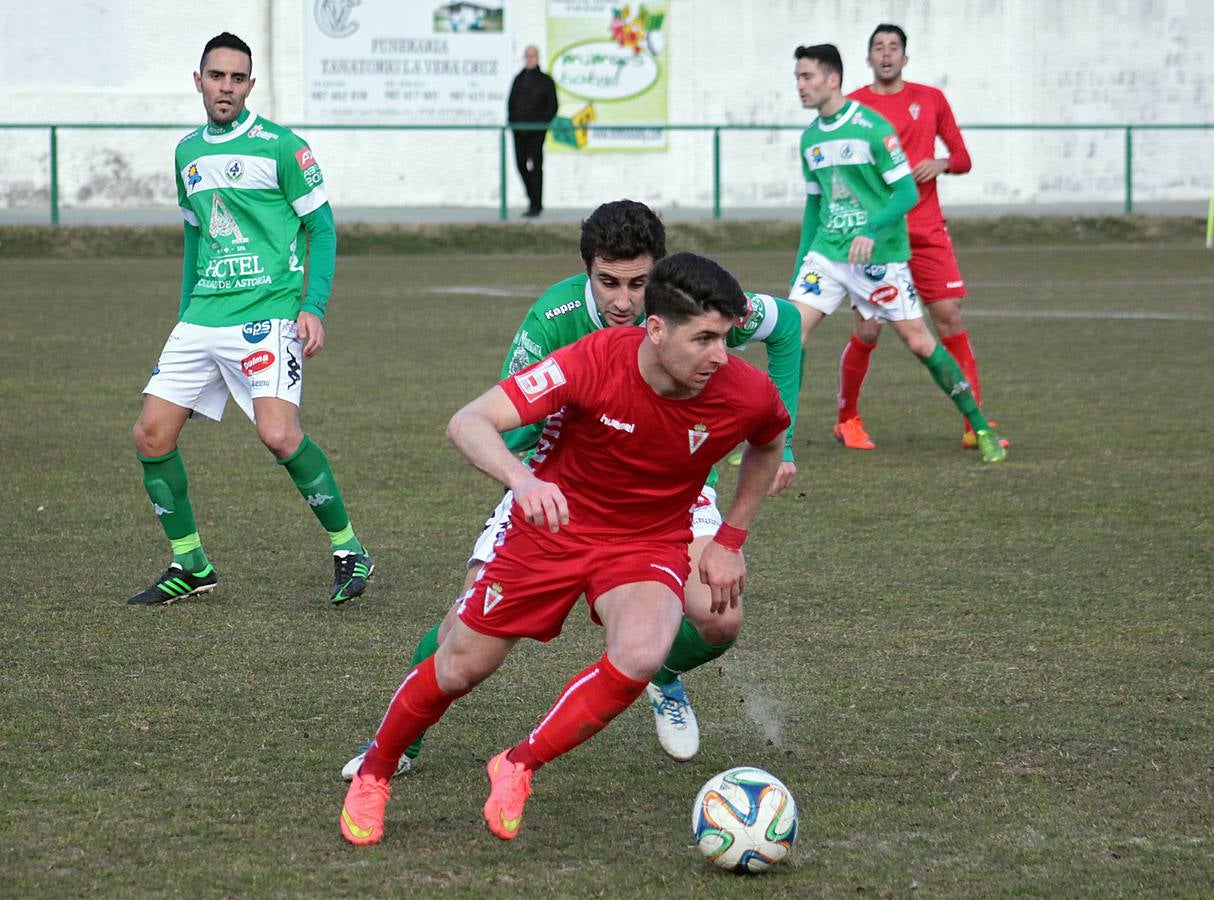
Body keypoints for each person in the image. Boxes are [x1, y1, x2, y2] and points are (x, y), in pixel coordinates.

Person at [338, 252, 791, 846]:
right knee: (459, 666)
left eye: (726, 338)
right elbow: (469, 421)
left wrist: (730, 538)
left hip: (648, 538)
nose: (720, 356)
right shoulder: (589, 362)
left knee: (641, 653)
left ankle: (518, 765)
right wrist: (523, 481)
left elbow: (769, 441)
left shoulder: (743, 391)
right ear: (656, 329)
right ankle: (374, 773)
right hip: (555, 528)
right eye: (704, 338)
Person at [127, 32, 373, 605]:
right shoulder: (187, 152)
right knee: (150, 435)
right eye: (217, 76)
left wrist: (313, 307)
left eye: (237, 79)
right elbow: (195, 236)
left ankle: (349, 549)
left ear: (250, 85)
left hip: (268, 314)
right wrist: (185, 314)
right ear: (199, 81)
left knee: (279, 434)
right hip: (202, 316)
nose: (226, 88)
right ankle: (191, 563)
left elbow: (322, 230)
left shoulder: (283, 147)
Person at [788, 44, 1006, 464]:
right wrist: (801, 264)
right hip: (828, 253)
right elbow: (814, 207)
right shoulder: (811, 138)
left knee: (920, 342)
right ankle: (777, 439)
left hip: (878, 258)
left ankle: (979, 427)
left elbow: (906, 192)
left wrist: (871, 229)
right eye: (797, 77)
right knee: (790, 334)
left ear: (832, 79)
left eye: (807, 76)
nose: (800, 85)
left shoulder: (872, 128)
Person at [844, 24, 1001, 452]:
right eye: (879, 47)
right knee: (868, 330)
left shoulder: (930, 99)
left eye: (893, 47)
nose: (886, 54)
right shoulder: (855, 107)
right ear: (869, 58)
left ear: (905, 58)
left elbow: (963, 157)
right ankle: (847, 419)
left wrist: (941, 163)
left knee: (949, 317)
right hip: (877, 234)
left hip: (927, 230)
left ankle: (974, 423)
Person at [507, 45, 559, 218]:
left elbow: (552, 106)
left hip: (537, 132)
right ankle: (532, 198)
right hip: (519, 131)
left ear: (538, 58)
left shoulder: (546, 81)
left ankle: (536, 205)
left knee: (536, 167)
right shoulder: (518, 79)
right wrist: (514, 123)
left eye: (533, 56)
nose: (529, 59)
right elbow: (511, 104)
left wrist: (541, 124)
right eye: (527, 56)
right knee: (520, 164)